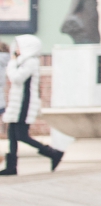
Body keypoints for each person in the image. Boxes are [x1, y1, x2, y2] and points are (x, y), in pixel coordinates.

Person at [3, 36, 62, 174]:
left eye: (19, 46)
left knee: (21, 135)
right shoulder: (22, 62)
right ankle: (12, 167)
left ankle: (52, 153)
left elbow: (16, 78)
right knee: (12, 135)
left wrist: (12, 63)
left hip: (24, 105)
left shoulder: (30, 62)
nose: (16, 50)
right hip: (17, 104)